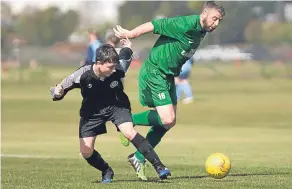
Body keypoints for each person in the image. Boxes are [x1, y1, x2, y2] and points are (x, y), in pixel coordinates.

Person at [113, 1, 225, 180]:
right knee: (167, 118)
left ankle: (138, 157)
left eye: (219, 20)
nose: (216, 24)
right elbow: (155, 25)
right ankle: (127, 121)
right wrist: (131, 34)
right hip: (155, 72)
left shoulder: (202, 31)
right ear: (204, 14)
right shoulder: (186, 24)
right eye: (214, 19)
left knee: (168, 123)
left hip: (168, 76)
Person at [50, 41, 171, 183]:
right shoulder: (83, 74)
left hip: (117, 105)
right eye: (110, 66)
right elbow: (60, 89)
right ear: (99, 62)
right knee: (86, 151)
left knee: (129, 132)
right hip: (92, 111)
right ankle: (106, 170)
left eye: (115, 65)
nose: (114, 70)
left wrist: (128, 46)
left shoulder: (118, 68)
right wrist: (57, 93)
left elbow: (125, 55)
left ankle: (159, 167)